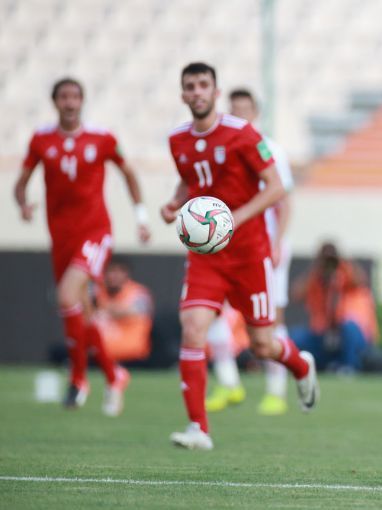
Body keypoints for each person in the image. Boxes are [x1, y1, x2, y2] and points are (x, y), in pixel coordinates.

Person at [160, 62, 318, 450]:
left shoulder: (242, 133)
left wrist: (234, 218)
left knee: (262, 345)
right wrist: (175, 203)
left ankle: (301, 365)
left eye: (203, 85)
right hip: (206, 256)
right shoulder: (177, 140)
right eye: (190, 86)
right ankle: (198, 429)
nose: (197, 92)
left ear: (215, 92)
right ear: (183, 94)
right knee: (193, 327)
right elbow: (190, 180)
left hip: (250, 254)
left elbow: (276, 187)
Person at [14, 77, 149, 416]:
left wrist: (141, 217)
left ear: (82, 101)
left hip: (96, 232)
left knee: (65, 296)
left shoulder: (102, 138)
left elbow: (128, 173)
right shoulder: (41, 139)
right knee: (83, 311)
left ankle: (78, 378)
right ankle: (114, 375)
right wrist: (23, 204)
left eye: (75, 96)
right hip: (61, 237)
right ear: (55, 102)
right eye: (64, 96)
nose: (70, 102)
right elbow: (21, 183)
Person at [205, 88, 297, 416]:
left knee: (271, 317)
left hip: (264, 245)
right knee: (211, 310)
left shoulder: (270, 149)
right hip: (228, 244)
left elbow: (284, 201)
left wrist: (277, 242)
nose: (240, 116)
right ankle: (228, 382)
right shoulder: (221, 149)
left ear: (255, 113)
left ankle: (276, 390)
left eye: (245, 110)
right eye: (235, 110)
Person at [290, 242, 378, 373]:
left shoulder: (346, 275)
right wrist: (316, 269)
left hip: (350, 334)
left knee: (349, 328)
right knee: (296, 337)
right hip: (323, 333)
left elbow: (361, 281)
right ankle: (320, 366)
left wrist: (343, 263)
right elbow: (296, 294)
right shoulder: (315, 279)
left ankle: (348, 367)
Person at [92, 257, 154, 363]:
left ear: (127, 274)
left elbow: (131, 311)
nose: (114, 276)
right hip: (98, 357)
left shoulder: (138, 293)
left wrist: (101, 308)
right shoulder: (96, 291)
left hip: (133, 358)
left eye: (120, 271)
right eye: (111, 271)